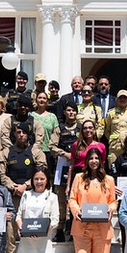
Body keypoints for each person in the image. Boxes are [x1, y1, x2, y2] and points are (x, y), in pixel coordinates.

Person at [68, 147, 118, 253]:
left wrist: (111, 209)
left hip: (102, 229)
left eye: (97, 158)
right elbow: (72, 199)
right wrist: (76, 211)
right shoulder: (78, 178)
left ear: (101, 160)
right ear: (87, 161)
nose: (94, 161)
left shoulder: (109, 180)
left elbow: (113, 201)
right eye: (91, 158)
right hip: (82, 227)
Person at [0, 122, 47, 253]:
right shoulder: (6, 152)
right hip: (11, 196)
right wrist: (13, 186)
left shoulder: (36, 152)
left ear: (28, 134)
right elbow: (1, 173)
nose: (21, 135)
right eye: (18, 132)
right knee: (10, 231)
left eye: (24, 132)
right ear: (14, 134)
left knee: (31, 229)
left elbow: (41, 171)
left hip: (32, 196)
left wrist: (25, 186)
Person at [49, 101, 80, 241]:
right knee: (61, 199)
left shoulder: (81, 128)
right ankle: (60, 229)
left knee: (77, 199)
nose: (71, 113)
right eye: (68, 110)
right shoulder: (59, 128)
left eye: (73, 110)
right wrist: (65, 154)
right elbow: (52, 146)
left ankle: (75, 229)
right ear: (64, 112)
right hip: (62, 166)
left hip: (78, 167)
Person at [104, 89, 127, 164]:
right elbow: (107, 130)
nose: (122, 99)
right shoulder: (111, 113)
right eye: (120, 98)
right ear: (116, 99)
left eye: (125, 98)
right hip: (115, 147)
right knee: (113, 169)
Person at [30, 91, 59, 162]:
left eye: (44, 98)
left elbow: (56, 134)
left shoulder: (52, 116)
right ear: (36, 100)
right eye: (39, 98)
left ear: (47, 101)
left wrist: (52, 147)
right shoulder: (31, 115)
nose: (42, 100)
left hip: (48, 151)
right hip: (33, 151)